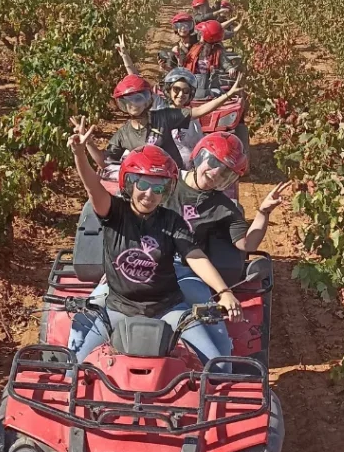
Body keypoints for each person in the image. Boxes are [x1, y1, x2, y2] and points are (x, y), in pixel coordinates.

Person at [67, 121, 243, 364]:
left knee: (218, 365)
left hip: (168, 307)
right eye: (143, 184)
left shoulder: (172, 221)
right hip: (118, 307)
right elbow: (92, 186)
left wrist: (224, 292)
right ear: (129, 183)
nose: (149, 194)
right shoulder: (114, 212)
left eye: (158, 186)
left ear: (166, 190)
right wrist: (79, 153)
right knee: (73, 363)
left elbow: (194, 255)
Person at [166, 132, 290, 305]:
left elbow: (247, 244)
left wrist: (263, 212)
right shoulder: (165, 181)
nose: (216, 173)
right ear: (199, 156)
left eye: (225, 172)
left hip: (186, 270)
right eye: (213, 162)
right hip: (146, 261)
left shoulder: (224, 208)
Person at [86, 72, 244, 170]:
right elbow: (105, 162)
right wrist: (87, 143)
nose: (133, 104)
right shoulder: (123, 134)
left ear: (148, 101)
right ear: (122, 105)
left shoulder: (164, 116)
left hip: (174, 177)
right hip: (146, 185)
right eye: (127, 101)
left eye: (139, 98)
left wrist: (227, 95)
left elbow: (198, 111)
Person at [184, 19, 240, 89]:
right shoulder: (195, 47)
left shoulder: (218, 52)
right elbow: (188, 60)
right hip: (193, 83)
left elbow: (225, 62)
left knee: (219, 93)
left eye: (201, 34)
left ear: (208, 36)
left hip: (211, 85)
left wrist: (230, 68)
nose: (199, 35)